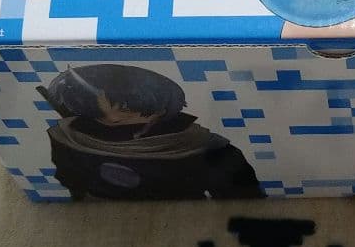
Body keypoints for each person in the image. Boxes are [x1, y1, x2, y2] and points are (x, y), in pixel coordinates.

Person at [39, 63, 264, 200]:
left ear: (160, 107)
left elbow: (244, 197)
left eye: (126, 108)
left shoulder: (206, 148)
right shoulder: (68, 137)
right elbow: (72, 184)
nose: (113, 118)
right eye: (97, 111)